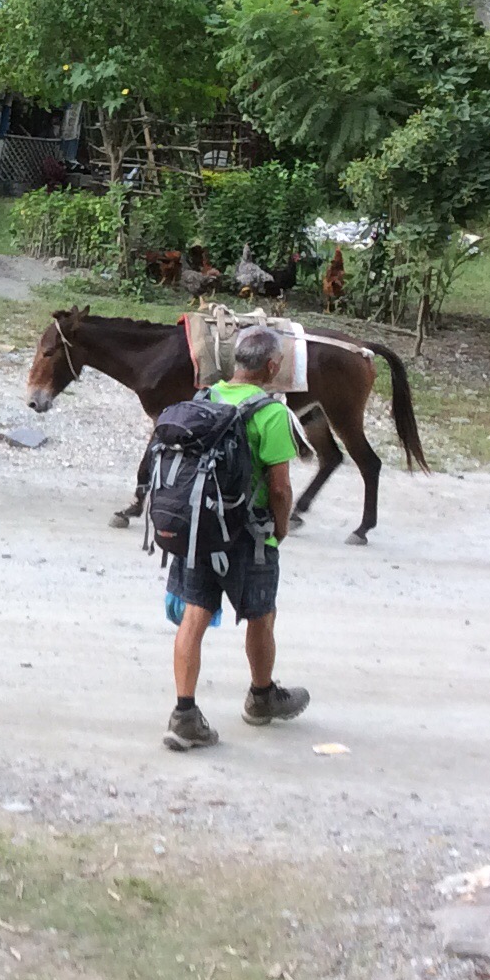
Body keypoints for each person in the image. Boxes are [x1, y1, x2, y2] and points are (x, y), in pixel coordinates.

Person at [165, 322, 311, 752]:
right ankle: (261, 698)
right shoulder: (271, 414)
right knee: (261, 616)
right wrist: (280, 530)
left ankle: (184, 715)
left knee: (195, 616)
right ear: (272, 367)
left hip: (200, 531)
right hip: (249, 535)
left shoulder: (203, 399)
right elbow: (280, 488)